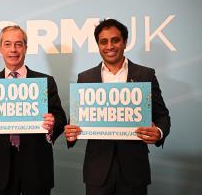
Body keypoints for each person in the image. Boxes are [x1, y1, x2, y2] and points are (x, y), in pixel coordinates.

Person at [64, 19, 171, 195]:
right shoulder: (85, 78)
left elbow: (162, 116)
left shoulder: (145, 74)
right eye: (103, 41)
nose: (110, 46)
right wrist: (70, 133)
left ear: (124, 42)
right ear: (98, 45)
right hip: (97, 170)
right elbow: (76, 120)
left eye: (115, 40)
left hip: (134, 170)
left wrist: (158, 131)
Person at [0, 25, 67, 195]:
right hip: (1, 167)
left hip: (37, 165)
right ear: (0, 48)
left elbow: (60, 118)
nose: (13, 49)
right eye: (8, 44)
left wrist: (52, 124)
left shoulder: (45, 82)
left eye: (19, 44)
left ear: (26, 48)